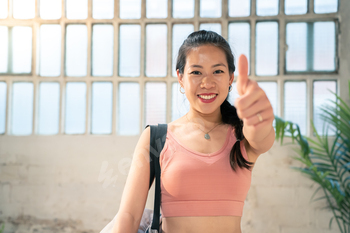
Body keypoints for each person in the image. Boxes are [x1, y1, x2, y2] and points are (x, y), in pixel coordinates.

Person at [112, 30, 275, 233]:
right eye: (196, 72)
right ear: (180, 77)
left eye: (217, 71)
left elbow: (262, 138)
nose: (207, 83)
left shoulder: (242, 135)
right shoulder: (157, 138)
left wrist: (260, 120)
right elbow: (129, 215)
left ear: (231, 77)